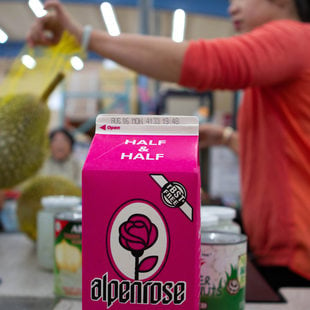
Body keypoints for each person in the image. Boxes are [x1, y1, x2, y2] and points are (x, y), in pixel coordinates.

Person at [27, 0, 310, 288]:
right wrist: (227, 138)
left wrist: (86, 37)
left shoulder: (291, 36)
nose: (231, 8)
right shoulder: (285, 60)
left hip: (294, 257)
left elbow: (205, 63)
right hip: (278, 251)